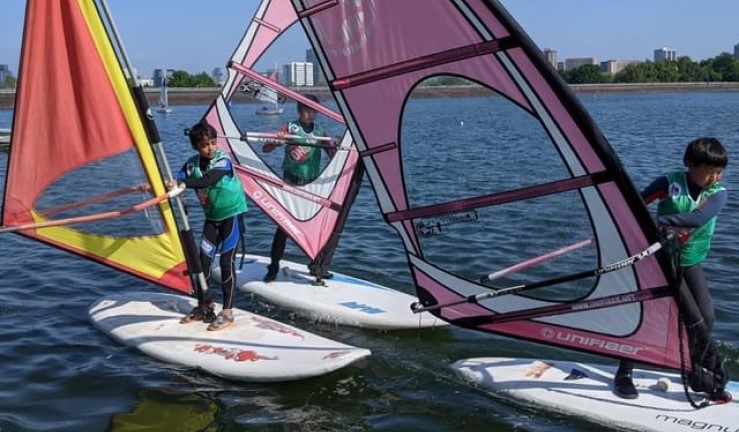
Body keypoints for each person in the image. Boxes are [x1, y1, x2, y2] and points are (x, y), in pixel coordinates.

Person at [614, 137, 730, 402]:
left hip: (689, 262)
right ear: (690, 164)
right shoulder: (669, 183)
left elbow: (697, 218)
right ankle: (624, 372)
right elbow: (634, 206)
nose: (715, 177)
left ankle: (695, 371)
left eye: (719, 172)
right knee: (641, 314)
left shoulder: (718, 193)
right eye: (709, 171)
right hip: (657, 259)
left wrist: (662, 221)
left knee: (706, 317)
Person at [174, 121, 248, 331]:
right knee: (201, 264)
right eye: (205, 145)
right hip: (212, 220)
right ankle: (204, 306)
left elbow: (207, 180)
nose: (210, 148)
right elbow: (177, 178)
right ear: (196, 147)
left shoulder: (223, 161)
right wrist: (169, 184)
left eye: (213, 143)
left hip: (231, 217)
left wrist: (184, 185)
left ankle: (227, 311)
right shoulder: (191, 165)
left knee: (226, 263)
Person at [262, 93, 337, 285]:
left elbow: (333, 156)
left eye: (313, 111)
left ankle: (317, 267)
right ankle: (273, 267)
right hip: (291, 183)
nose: (309, 115)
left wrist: (336, 145)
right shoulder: (290, 127)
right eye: (306, 111)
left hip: (312, 184)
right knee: (283, 228)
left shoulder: (320, 132)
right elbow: (266, 149)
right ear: (299, 110)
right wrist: (277, 139)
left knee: (318, 226)